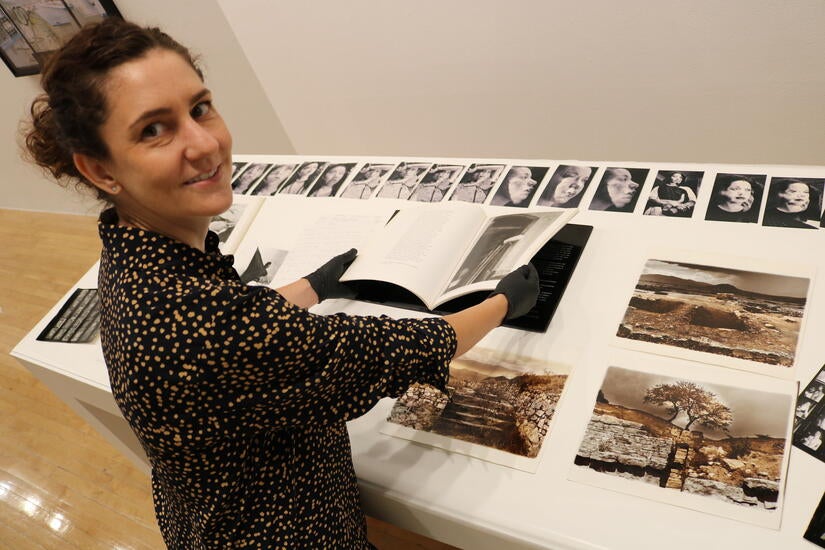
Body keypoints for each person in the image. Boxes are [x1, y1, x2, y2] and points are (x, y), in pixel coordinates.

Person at [22, 18, 540, 549]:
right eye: (154, 129)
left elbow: (230, 318)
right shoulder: (210, 325)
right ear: (101, 171)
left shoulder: (134, 253)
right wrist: (504, 302)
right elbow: (394, 349)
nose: (204, 144)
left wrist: (310, 285)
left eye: (199, 108)